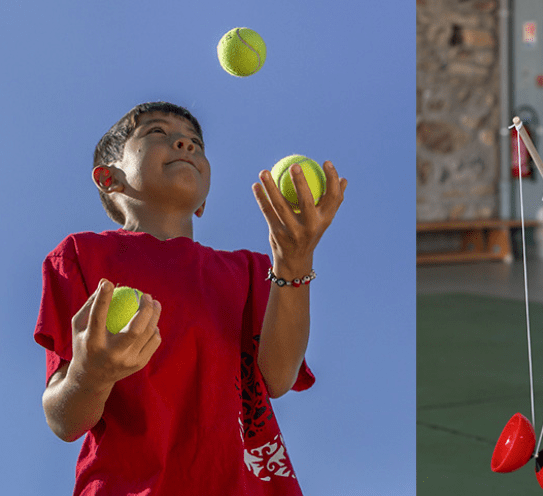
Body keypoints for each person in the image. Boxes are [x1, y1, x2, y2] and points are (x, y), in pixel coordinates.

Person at [34, 101, 346, 495]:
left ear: (203, 201)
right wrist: (90, 375)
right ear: (107, 178)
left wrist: (294, 261)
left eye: (195, 142)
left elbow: (278, 377)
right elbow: (64, 421)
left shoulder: (252, 270)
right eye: (157, 133)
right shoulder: (80, 256)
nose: (184, 144)